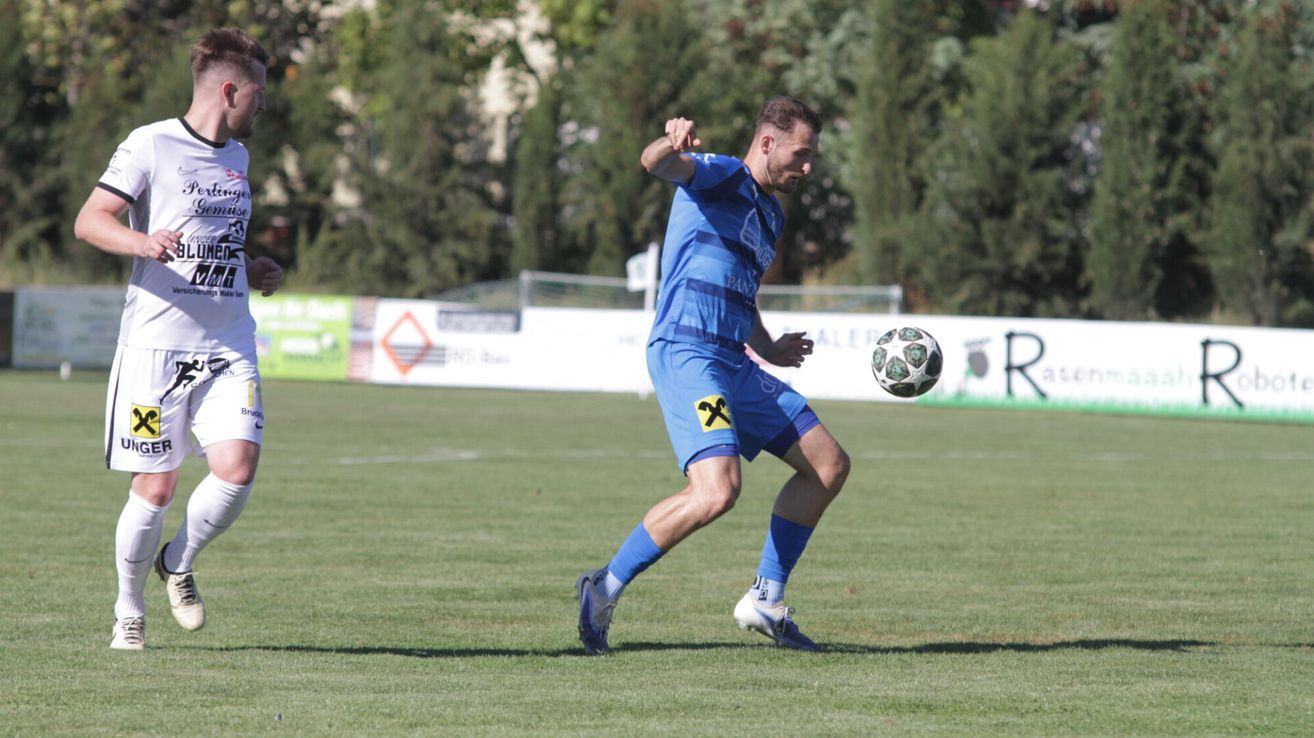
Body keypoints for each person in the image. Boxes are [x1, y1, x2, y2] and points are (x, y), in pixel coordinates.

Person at [576, 97, 851, 654]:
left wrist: (768, 345)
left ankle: (765, 601)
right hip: (689, 354)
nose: (808, 168)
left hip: (734, 361)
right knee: (717, 490)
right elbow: (657, 165)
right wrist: (668, 141)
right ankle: (602, 588)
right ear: (768, 143)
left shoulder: (772, 213)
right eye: (801, 154)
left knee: (827, 464)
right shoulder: (721, 174)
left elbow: (740, 292)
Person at [73, 28, 282, 650]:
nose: (264, 104)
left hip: (227, 342)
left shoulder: (238, 158)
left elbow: (209, 243)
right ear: (229, 90)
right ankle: (128, 607)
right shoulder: (150, 144)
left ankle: (178, 560)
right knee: (157, 486)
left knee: (238, 467)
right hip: (156, 348)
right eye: (258, 92)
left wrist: (250, 268)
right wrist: (142, 242)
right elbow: (90, 222)